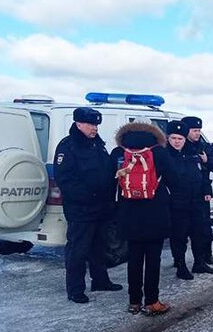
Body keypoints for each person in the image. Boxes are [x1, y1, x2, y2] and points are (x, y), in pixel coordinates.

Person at [54, 107, 122, 304]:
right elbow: (65, 179)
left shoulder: (97, 145)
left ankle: (100, 280)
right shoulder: (68, 146)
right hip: (81, 209)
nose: (95, 128)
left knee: (99, 247)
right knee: (78, 249)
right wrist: (90, 196)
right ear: (78, 124)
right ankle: (75, 289)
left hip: (101, 207)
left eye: (96, 125)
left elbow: (106, 171)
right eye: (91, 124)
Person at [111, 120, 177, 315]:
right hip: (155, 213)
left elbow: (110, 180)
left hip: (129, 213)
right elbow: (175, 180)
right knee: (153, 259)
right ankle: (152, 301)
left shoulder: (119, 154)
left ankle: (134, 302)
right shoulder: (159, 152)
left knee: (134, 258)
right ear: (154, 135)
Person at [181, 116, 213, 274]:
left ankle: (206, 255)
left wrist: (207, 160)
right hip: (184, 194)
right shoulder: (180, 146)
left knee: (204, 225)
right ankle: (180, 262)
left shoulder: (204, 147)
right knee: (182, 230)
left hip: (202, 192)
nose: (197, 133)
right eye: (194, 130)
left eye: (199, 130)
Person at [165, 120, 202, 280]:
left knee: (198, 234)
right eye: (173, 138)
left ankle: (199, 262)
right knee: (179, 237)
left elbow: (200, 174)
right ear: (168, 138)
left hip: (194, 201)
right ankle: (180, 265)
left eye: (180, 139)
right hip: (176, 204)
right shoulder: (164, 155)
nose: (177, 142)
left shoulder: (191, 152)